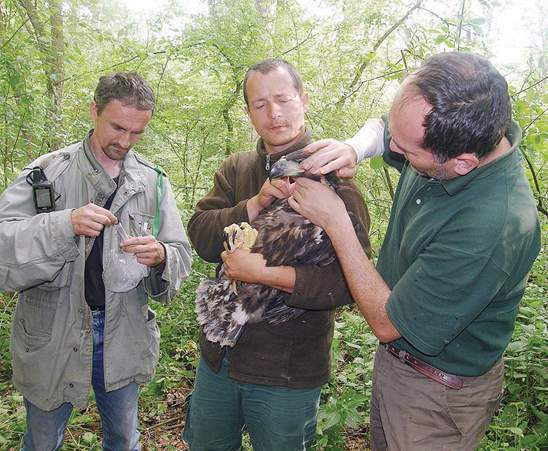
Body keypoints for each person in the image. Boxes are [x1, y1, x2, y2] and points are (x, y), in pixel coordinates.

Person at [289, 52, 541, 450]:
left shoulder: (492, 226)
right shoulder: (456, 123)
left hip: (437, 400)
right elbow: (387, 131)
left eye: (407, 154)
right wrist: (354, 148)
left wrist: (336, 222)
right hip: (398, 367)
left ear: (462, 165)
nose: (394, 150)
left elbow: (389, 323)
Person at [183, 59, 371, 450]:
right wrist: (252, 204)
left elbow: (348, 282)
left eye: (283, 99)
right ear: (249, 112)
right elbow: (200, 235)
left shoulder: (334, 178)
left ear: (303, 100)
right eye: (260, 104)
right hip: (219, 356)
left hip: (288, 368)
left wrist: (265, 273)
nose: (275, 113)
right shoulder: (238, 169)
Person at [0, 72, 192, 450]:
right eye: (117, 127)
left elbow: (180, 253)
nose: (125, 141)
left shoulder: (153, 182)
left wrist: (161, 257)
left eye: (137, 132)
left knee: (123, 438)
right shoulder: (48, 173)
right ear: (94, 111)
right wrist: (63, 224)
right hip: (52, 332)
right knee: (42, 442)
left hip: (123, 333)